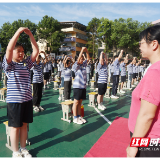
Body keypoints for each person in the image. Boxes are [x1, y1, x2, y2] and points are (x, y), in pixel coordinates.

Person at [2, 27, 39, 158]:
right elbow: (8, 49)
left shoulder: (26, 64)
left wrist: (30, 35)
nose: (22, 54)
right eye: (19, 51)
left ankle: (23, 149)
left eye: (23, 51)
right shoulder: (9, 65)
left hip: (27, 100)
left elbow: (36, 50)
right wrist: (17, 33)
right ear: (13, 53)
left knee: (24, 126)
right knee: (15, 127)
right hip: (14, 102)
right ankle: (15, 151)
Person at [126, 25, 160, 158]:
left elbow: (147, 115)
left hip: (149, 141)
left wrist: (134, 144)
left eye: (141, 43)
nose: (139, 46)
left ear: (154, 44)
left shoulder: (155, 72)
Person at [72, 47, 90, 124]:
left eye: (83, 59)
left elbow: (88, 59)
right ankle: (75, 117)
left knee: (80, 102)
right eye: (80, 59)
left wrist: (87, 51)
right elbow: (78, 59)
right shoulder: (75, 65)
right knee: (76, 102)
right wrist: (82, 50)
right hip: (77, 86)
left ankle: (79, 116)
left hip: (83, 86)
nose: (82, 60)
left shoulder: (83, 65)